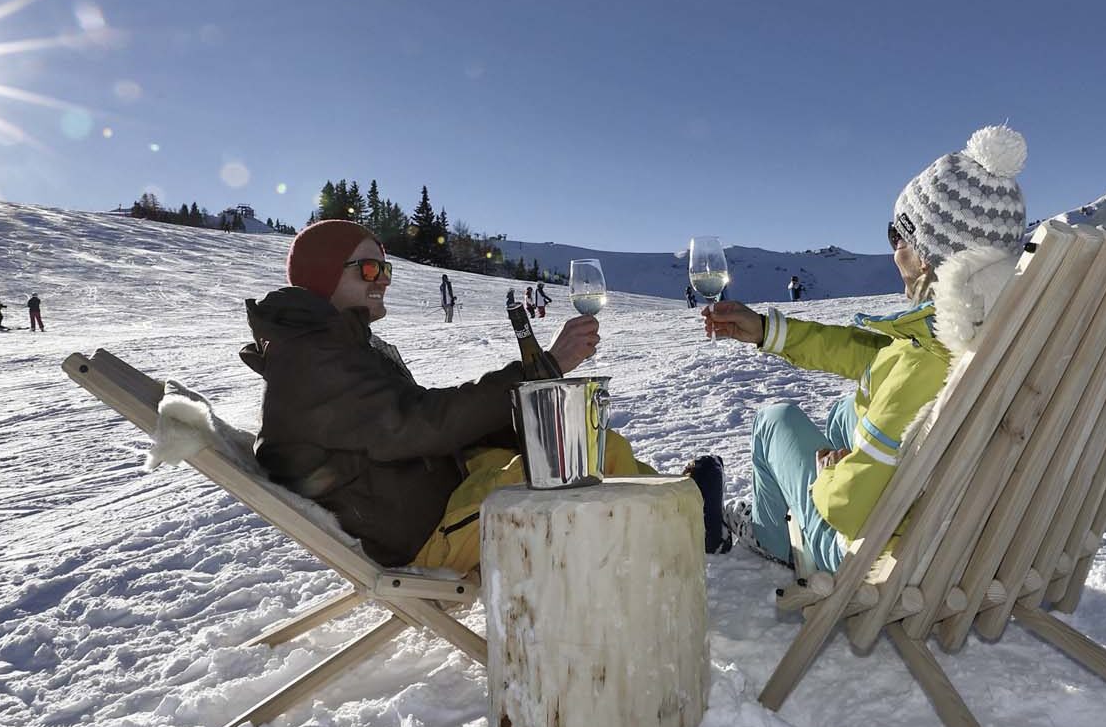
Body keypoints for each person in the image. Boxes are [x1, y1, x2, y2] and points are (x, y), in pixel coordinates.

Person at [243, 220, 698, 575]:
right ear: (322, 274)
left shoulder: (328, 347)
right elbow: (420, 425)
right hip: (428, 535)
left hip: (438, 492)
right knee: (586, 462)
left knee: (583, 443)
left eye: (386, 268)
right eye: (368, 268)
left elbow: (406, 424)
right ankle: (685, 527)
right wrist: (544, 369)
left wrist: (522, 416)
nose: (382, 279)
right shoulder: (314, 359)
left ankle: (683, 511)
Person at [703, 125, 1030, 571]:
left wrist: (831, 475)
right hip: (966, 529)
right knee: (844, 413)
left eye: (899, 237)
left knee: (774, 421)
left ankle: (773, 537)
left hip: (880, 552)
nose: (893, 252)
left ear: (929, 257)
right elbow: (878, 359)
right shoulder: (997, 335)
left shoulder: (926, 363)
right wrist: (765, 330)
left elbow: (847, 509)